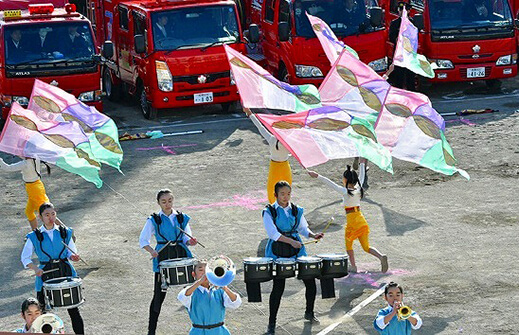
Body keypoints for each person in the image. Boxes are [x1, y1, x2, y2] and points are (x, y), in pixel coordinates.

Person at [263, 181, 324, 334]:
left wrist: (313, 235)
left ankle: (309, 313)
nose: (286, 197)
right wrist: (292, 241)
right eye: (282, 194)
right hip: (278, 250)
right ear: (275, 195)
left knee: (310, 282)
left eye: (288, 193)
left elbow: (303, 228)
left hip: (297, 249)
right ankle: (272, 323)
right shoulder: (269, 211)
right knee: (278, 287)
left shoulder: (296, 210)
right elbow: (273, 234)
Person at [307, 166, 388, 273]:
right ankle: (381, 256)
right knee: (366, 247)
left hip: (352, 222)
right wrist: (362, 164)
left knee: (349, 245)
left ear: (345, 180)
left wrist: (317, 176)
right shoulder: (358, 189)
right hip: (361, 220)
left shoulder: (345, 191)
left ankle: (353, 266)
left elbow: (331, 184)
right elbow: (362, 176)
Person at [139, 189, 198, 335]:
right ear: (158, 203)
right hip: (163, 257)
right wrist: (152, 251)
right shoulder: (153, 219)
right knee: (158, 296)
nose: (167, 204)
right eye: (164, 201)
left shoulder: (181, 218)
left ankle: (199, 326)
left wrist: (191, 241)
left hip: (182, 255)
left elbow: (186, 239)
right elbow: (143, 240)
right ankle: (151, 331)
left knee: (192, 293)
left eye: (170, 200)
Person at [21, 203, 84, 334]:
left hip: (65, 272)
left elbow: (70, 252)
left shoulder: (65, 232)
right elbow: (25, 258)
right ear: (40, 217)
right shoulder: (33, 236)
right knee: (41, 314)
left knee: (74, 311)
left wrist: (73, 256)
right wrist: (35, 268)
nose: (51, 218)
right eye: (47, 215)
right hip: (45, 274)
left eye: (53, 214)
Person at [177, 260, 242, 334]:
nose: (205, 273)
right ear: (193, 274)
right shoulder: (191, 291)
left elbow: (236, 303)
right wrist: (199, 282)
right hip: (198, 331)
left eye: (207, 270)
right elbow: (182, 297)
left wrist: (225, 288)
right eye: (201, 270)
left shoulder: (219, 290)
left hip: (219, 331)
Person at [0, 157, 64, 230]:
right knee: (29, 212)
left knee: (46, 212)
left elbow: (7, 168)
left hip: (34, 190)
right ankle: (35, 233)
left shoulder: (25, 164)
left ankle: (66, 230)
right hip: (37, 186)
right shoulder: (36, 158)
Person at [245, 108, 292, 204]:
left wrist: (250, 114)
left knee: (274, 188)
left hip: (276, 166)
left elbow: (260, 127)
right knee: (283, 188)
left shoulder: (272, 139)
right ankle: (281, 207)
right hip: (283, 166)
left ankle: (276, 207)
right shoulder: (287, 140)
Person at [388, 1, 416, 90]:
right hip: (399, 54)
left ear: (408, 11)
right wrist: (397, 38)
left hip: (409, 54)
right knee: (398, 78)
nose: (402, 12)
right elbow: (391, 36)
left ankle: (411, 95)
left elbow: (414, 38)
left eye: (404, 10)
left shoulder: (412, 23)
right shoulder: (395, 23)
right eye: (400, 10)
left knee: (410, 78)